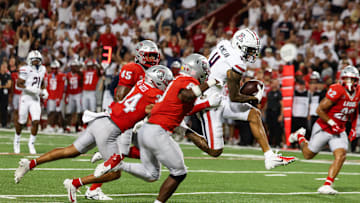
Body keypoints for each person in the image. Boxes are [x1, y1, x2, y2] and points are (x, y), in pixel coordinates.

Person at [14, 65, 173, 203]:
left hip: (102, 119)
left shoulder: (140, 83)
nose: (167, 85)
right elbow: (153, 110)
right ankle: (75, 183)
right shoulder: (155, 95)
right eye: (166, 82)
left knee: (70, 151)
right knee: (115, 173)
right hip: (110, 130)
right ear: (158, 81)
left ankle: (30, 164)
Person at [94, 53, 218, 203]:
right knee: (179, 172)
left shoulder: (178, 81)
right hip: (157, 131)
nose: (205, 74)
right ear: (195, 69)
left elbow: (171, 108)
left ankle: (117, 163)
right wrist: (209, 90)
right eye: (204, 70)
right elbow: (187, 96)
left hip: (149, 129)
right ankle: (104, 173)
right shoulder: (187, 81)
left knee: (152, 174)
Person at [185, 28, 295, 169]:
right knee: (215, 151)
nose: (252, 54)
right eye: (249, 50)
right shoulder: (237, 63)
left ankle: (270, 157)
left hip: (215, 94)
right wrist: (254, 98)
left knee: (254, 114)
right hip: (208, 100)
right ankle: (183, 130)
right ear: (239, 45)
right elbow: (234, 97)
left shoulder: (223, 43)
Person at [86, 39, 161, 199]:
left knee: (143, 152)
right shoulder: (132, 68)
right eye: (148, 56)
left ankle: (105, 154)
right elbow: (120, 95)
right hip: (127, 118)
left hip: (137, 118)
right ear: (140, 56)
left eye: (154, 56)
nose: (152, 60)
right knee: (122, 153)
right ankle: (93, 188)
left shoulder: (154, 72)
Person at [289, 65, 360, 194]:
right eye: (348, 79)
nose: (351, 82)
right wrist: (332, 122)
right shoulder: (337, 89)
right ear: (342, 79)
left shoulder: (358, 91)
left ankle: (327, 184)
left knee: (341, 155)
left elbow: (355, 110)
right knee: (308, 155)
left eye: (353, 80)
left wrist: (354, 128)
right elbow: (319, 110)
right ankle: (299, 136)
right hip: (324, 127)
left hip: (339, 130)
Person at [13, 50, 48, 154]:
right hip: (26, 97)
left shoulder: (42, 69)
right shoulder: (25, 69)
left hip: (35, 99)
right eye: (34, 60)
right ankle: (17, 140)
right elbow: (18, 85)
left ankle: (31, 144)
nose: (36, 62)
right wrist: (29, 89)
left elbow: (41, 82)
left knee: (36, 120)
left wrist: (44, 90)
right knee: (22, 122)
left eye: (38, 60)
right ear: (29, 60)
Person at [44, 60, 66, 133]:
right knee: (51, 112)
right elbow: (48, 87)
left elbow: (61, 88)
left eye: (55, 68)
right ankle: (51, 126)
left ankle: (60, 127)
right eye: (52, 68)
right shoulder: (49, 76)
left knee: (59, 112)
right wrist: (47, 97)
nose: (53, 70)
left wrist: (59, 98)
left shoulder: (61, 76)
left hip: (57, 97)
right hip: (51, 96)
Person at [64, 60, 83, 133]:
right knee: (69, 111)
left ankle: (78, 126)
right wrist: (66, 95)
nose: (74, 68)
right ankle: (68, 126)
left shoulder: (80, 74)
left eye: (75, 66)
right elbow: (67, 86)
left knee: (79, 111)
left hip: (78, 94)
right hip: (71, 94)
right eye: (73, 66)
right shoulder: (68, 75)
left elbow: (81, 83)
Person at [0, 62, 11, 127]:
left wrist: (2, 86)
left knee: (4, 108)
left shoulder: (8, 75)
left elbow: (9, 85)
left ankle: (4, 123)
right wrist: (5, 85)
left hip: (4, 94)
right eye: (3, 67)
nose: (4, 68)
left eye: (5, 67)